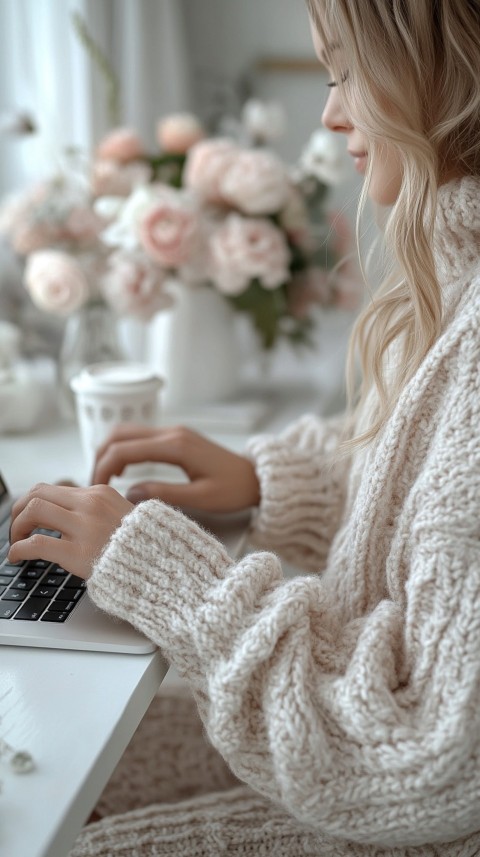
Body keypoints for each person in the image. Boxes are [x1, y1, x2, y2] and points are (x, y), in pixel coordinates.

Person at [8, 0, 480, 854]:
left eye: (346, 70)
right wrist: (275, 481)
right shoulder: (458, 273)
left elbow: (429, 758)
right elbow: (434, 500)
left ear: (441, 65)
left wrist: (167, 576)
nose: (331, 111)